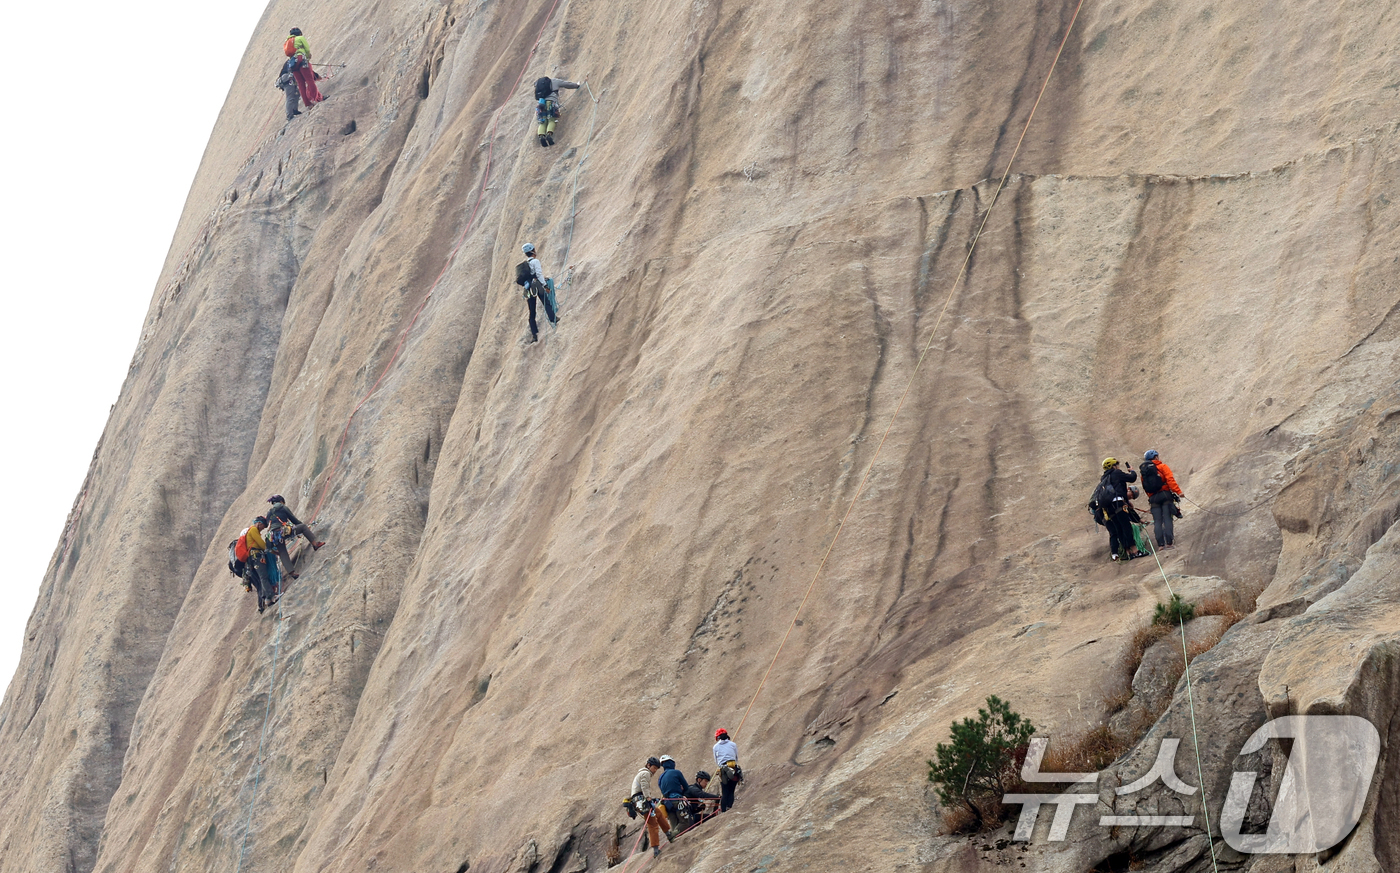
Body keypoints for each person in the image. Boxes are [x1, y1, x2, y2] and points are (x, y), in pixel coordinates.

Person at [1092, 458, 1139, 561]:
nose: (1118, 466)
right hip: (1118, 503)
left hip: (1109, 508)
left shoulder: (1104, 478)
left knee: (1119, 529)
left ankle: (1128, 553)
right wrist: (1132, 470)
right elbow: (1132, 478)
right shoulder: (1116, 473)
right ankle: (1135, 551)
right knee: (1126, 527)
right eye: (1117, 464)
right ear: (1113, 466)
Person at [266, 494, 325, 576]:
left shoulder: (269, 512)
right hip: (283, 531)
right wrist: (303, 528)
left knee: (282, 552)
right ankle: (315, 544)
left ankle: (292, 573)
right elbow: (294, 520)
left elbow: (268, 524)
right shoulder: (283, 507)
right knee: (303, 527)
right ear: (281, 501)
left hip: (273, 536)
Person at [1141, 449, 1185, 550]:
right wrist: (1178, 492)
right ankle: (1169, 543)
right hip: (1165, 495)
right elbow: (1170, 480)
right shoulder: (1162, 467)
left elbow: (1145, 487)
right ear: (1156, 457)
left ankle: (1160, 545)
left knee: (1157, 521)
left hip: (1153, 498)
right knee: (1167, 519)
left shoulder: (1144, 472)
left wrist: (1151, 497)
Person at [515, 243, 558, 343]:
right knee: (546, 302)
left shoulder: (526, 264)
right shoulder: (535, 261)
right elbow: (538, 274)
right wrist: (545, 286)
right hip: (537, 285)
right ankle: (553, 318)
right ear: (533, 250)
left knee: (532, 311)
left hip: (528, 288)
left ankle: (534, 335)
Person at [630, 756, 671, 857]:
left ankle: (669, 834)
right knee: (652, 823)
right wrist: (648, 799)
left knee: (658, 813)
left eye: (657, 768)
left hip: (638, 800)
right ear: (648, 765)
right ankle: (656, 849)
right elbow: (644, 786)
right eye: (654, 768)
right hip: (641, 800)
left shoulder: (642, 773)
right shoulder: (646, 773)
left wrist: (651, 799)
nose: (655, 770)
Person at [241, 517, 278, 613]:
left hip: (253, 557)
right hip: (256, 557)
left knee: (262, 577)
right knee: (263, 577)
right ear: (258, 523)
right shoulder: (253, 529)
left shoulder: (252, 530)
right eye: (262, 526)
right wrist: (271, 550)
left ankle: (267, 600)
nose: (262, 528)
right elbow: (261, 543)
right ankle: (271, 595)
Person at [531, 76, 580, 147]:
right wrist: (577, 85)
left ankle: (541, 136)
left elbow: (535, 85)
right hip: (551, 103)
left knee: (542, 122)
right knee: (551, 120)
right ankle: (549, 135)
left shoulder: (538, 83)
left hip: (541, 104)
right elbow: (567, 84)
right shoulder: (555, 81)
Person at [284, 29, 323, 106]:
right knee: (309, 80)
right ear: (299, 33)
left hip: (293, 64)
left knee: (301, 84)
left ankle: (307, 103)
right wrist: (308, 58)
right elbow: (307, 49)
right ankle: (316, 98)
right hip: (301, 60)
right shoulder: (300, 38)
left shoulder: (287, 42)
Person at [656, 755, 688, 835]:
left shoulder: (661, 778)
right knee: (685, 822)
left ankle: (674, 838)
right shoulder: (676, 772)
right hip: (677, 800)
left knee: (674, 824)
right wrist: (681, 790)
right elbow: (686, 787)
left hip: (667, 804)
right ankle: (672, 835)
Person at [712, 729, 742, 811]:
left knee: (725, 791)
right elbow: (736, 757)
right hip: (733, 768)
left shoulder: (715, 747)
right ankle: (729, 807)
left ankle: (723, 810)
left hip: (723, 769)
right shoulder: (733, 744)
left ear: (718, 737)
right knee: (731, 790)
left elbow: (716, 761)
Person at [275, 54, 307, 120]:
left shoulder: (291, 61)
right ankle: (289, 115)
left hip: (288, 79)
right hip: (288, 79)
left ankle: (294, 110)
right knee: (290, 97)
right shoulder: (293, 61)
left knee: (297, 94)